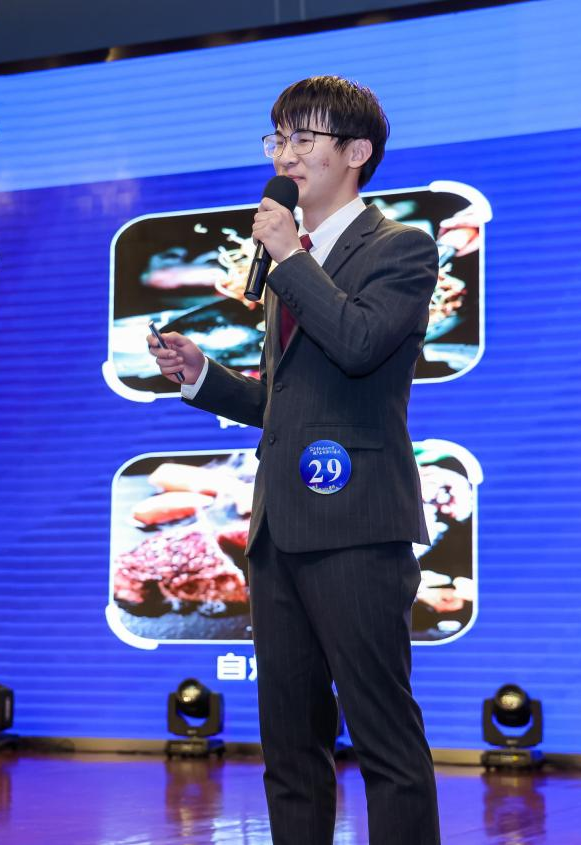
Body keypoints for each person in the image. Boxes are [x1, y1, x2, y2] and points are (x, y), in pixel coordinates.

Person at [148, 75, 441, 845]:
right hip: (277, 531)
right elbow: (289, 405)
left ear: (356, 152)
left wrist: (286, 256)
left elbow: (358, 346)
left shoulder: (400, 248)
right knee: (288, 748)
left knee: (384, 739)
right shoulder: (290, 269)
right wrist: (204, 377)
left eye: (302, 139)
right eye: (277, 138)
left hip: (357, 527)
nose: (284, 155)